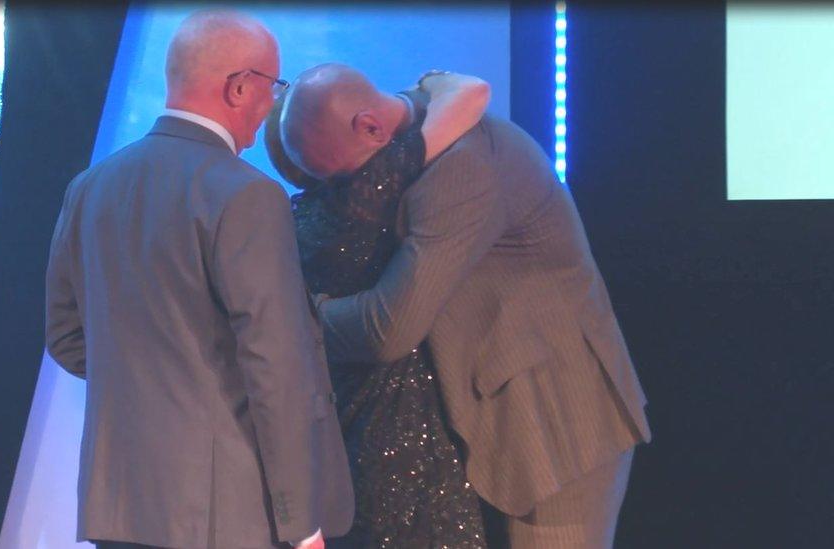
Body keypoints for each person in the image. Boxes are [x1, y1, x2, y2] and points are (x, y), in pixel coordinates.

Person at [279, 63, 652, 549]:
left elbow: (390, 328)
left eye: (342, 177)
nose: (347, 196)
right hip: (493, 417)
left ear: (370, 127)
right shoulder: (420, 124)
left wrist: (297, 321)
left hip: (551, 425)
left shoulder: (465, 166)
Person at [44, 12, 352, 549]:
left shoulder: (90, 187)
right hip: (224, 517)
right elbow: (274, 366)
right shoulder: (246, 195)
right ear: (238, 87)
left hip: (119, 506)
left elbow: (66, 337)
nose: (272, 103)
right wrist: (301, 524)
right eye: (274, 85)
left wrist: (159, 386)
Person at [265, 66, 491, 548]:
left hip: (326, 449)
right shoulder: (374, 188)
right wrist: (417, 92)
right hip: (404, 439)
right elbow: (471, 92)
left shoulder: (289, 224)